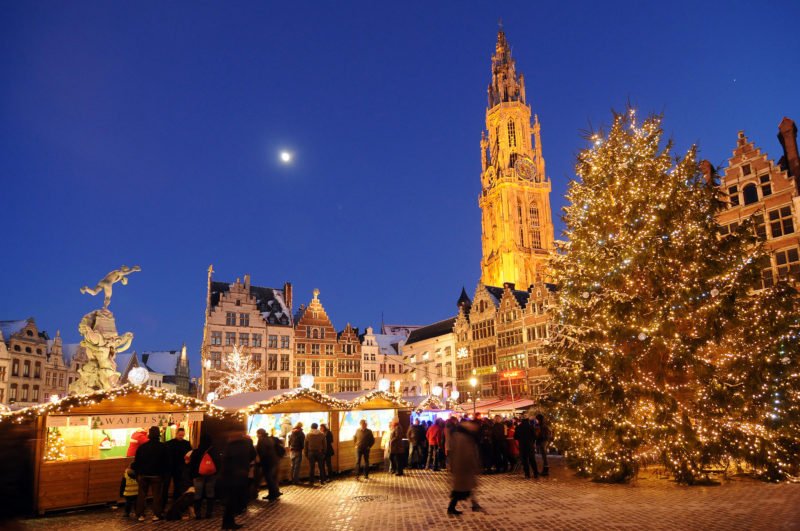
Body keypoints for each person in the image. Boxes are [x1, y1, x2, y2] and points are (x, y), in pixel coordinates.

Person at [133, 426, 169, 522]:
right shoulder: (163, 447)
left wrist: (137, 473)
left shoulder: (142, 447)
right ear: (158, 435)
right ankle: (156, 515)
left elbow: (137, 461)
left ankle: (140, 515)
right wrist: (165, 475)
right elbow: (166, 462)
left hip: (143, 475)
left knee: (141, 495)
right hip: (157, 475)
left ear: (149, 434)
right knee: (157, 496)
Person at [221, 432, 256, 530]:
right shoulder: (245, 443)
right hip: (237, 476)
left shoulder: (229, 444)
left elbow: (225, 461)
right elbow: (253, 454)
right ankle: (228, 523)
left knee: (231, 501)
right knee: (233, 500)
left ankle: (228, 523)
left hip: (231, 476)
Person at [447, 420, 481, 515]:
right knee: (461, 490)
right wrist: (474, 465)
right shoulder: (464, 438)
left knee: (466, 488)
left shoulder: (458, 436)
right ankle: (451, 508)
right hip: (464, 468)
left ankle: (474, 504)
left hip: (461, 467)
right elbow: (467, 453)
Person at [188, 433, 220, 519]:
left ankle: (198, 514)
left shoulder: (196, 451)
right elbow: (218, 463)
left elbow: (192, 465)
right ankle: (208, 513)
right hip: (211, 475)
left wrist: (192, 476)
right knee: (210, 493)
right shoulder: (214, 451)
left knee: (198, 494)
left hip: (198, 476)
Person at [163, 426, 192, 508]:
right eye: (180, 435)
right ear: (176, 434)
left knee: (178, 485)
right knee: (167, 485)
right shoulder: (169, 443)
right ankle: (165, 501)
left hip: (179, 467)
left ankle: (176, 500)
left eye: (182, 435)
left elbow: (190, 454)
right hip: (170, 467)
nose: (181, 437)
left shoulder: (186, 443)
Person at [255, 428, 281, 501]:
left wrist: (259, 461)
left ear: (259, 434)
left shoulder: (261, 440)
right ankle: (274, 493)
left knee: (269, 478)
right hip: (273, 460)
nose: (256, 435)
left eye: (257, 433)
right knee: (271, 478)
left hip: (267, 462)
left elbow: (262, 452)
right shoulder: (269, 439)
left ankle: (273, 494)